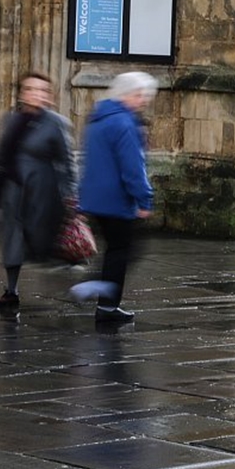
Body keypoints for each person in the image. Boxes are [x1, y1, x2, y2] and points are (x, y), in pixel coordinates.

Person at [0, 72, 76, 310]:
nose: (36, 94)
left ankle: (66, 265)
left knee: (41, 237)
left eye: (42, 90)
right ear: (22, 93)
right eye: (30, 89)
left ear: (49, 96)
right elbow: (0, 155)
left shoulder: (56, 122)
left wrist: (71, 194)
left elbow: (67, 160)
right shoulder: (11, 119)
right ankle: (11, 291)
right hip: (13, 189)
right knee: (12, 239)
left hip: (42, 191)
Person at [77, 71, 157, 324]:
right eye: (139, 94)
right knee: (123, 250)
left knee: (116, 249)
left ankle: (102, 295)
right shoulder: (124, 123)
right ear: (125, 94)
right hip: (116, 199)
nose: (143, 100)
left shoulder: (98, 118)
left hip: (95, 198)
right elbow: (133, 167)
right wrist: (144, 199)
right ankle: (104, 301)